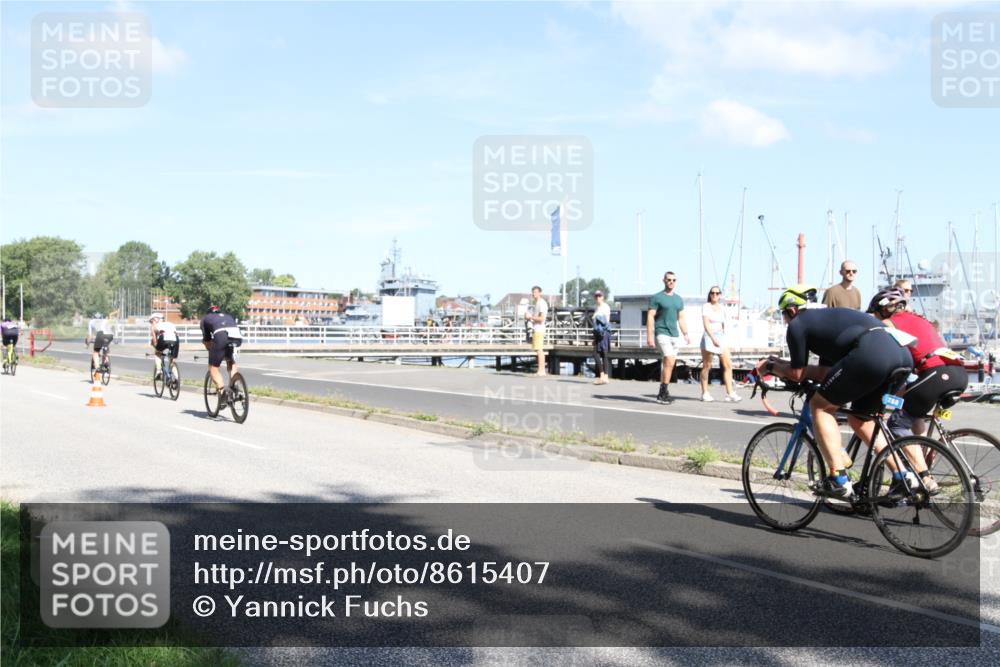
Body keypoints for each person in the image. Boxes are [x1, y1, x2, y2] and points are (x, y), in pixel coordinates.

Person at [757, 284, 919, 499]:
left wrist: (770, 367)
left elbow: (797, 374)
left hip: (872, 353)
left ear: (792, 310)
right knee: (861, 420)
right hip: (900, 353)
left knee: (820, 406)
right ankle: (902, 476)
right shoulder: (828, 321)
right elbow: (826, 372)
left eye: (785, 314)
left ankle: (838, 479)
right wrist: (782, 364)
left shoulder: (798, 324)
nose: (786, 320)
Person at [868, 288, 967, 452]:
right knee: (910, 407)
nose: (876, 319)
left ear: (884, 309)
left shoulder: (888, 324)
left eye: (875, 315)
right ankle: (924, 458)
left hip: (937, 374)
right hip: (957, 372)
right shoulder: (919, 318)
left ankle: (921, 475)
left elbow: (884, 357)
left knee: (896, 424)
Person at [646, 271, 690, 404]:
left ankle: (662, 392)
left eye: (674, 280)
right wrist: (649, 336)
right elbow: (650, 316)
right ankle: (663, 391)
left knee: (668, 364)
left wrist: (686, 334)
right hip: (661, 332)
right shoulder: (657, 298)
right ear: (664, 281)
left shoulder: (678, 299)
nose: (671, 282)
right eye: (669, 279)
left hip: (674, 335)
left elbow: (681, 318)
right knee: (670, 360)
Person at [699, 286, 740, 402]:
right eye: (712, 293)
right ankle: (705, 392)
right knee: (707, 366)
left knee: (727, 365)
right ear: (710, 294)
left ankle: (730, 393)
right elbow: (706, 324)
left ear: (720, 295)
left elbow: (724, 324)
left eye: (717, 293)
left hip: (720, 337)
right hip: (709, 337)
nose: (715, 295)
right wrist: (712, 338)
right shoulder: (706, 306)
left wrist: (724, 337)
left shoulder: (722, 308)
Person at [200, 305, 243, 395]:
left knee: (213, 368)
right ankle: (234, 386)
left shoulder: (205, 319)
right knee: (231, 361)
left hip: (221, 336)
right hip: (237, 337)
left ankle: (222, 393)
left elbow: (207, 340)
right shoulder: (228, 316)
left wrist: (211, 352)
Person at [525, 286, 548, 376]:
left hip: (539, 329)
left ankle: (541, 371)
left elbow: (542, 318)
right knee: (538, 349)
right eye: (533, 292)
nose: (533, 294)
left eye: (535, 292)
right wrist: (530, 318)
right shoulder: (537, 303)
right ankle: (541, 370)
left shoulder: (541, 303)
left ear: (539, 293)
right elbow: (537, 318)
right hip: (536, 328)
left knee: (539, 350)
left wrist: (530, 317)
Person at [149, 313, 180, 379]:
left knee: (157, 353)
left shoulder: (154, 326)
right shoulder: (170, 324)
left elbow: (154, 341)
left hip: (164, 337)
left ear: (155, 320)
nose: (151, 323)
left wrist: (154, 346)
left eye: (151, 321)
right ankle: (177, 379)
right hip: (176, 339)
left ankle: (158, 371)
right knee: (172, 360)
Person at [592, 290, 612, 385]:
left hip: (603, 332)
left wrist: (597, 317)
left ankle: (603, 376)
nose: (597, 298)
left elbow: (606, 321)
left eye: (599, 296)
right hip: (598, 333)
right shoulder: (597, 308)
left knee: (598, 354)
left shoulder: (605, 307)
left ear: (603, 297)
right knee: (602, 354)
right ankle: (604, 376)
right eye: (596, 296)